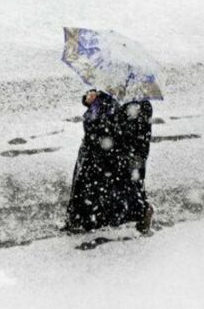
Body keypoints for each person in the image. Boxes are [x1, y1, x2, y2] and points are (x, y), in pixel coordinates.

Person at [63, 89, 149, 233]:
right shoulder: (110, 88)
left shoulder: (138, 101)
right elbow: (97, 103)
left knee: (119, 188)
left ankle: (142, 212)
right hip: (97, 148)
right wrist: (89, 99)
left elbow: (135, 136)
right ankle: (80, 219)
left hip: (115, 151)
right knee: (89, 184)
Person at [116, 99, 155, 233]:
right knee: (134, 182)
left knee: (133, 182)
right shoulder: (134, 105)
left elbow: (134, 130)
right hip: (134, 151)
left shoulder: (141, 106)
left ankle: (144, 211)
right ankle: (141, 211)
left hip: (135, 152)